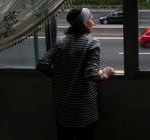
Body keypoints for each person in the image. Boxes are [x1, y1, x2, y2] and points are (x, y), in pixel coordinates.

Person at [36, 7, 114, 140]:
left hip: (62, 110)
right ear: (84, 23)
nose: (93, 23)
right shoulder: (91, 42)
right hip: (84, 112)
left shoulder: (60, 41)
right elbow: (91, 75)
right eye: (91, 19)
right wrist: (107, 73)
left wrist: (60, 76)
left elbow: (42, 65)